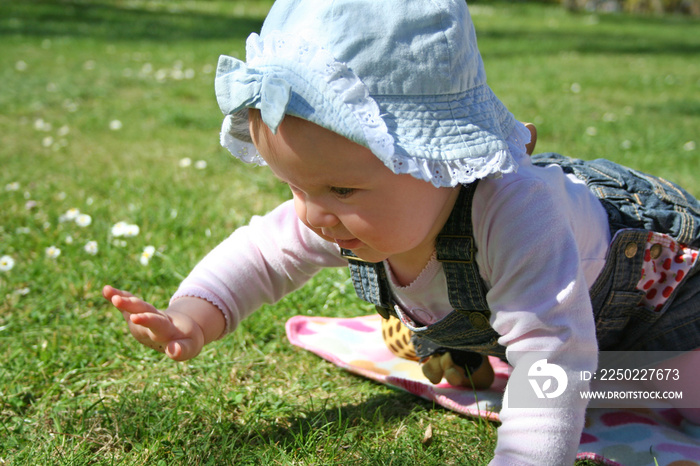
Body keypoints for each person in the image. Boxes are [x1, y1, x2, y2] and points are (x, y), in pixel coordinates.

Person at [103, 0, 700, 463]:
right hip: (558, 313)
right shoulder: (342, 211)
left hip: (664, 293)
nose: (313, 214)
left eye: (340, 190)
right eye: (295, 187)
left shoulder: (516, 217)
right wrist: (193, 315)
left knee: (643, 384)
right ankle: (466, 341)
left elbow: (554, 359)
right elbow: (263, 252)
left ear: (435, 160)